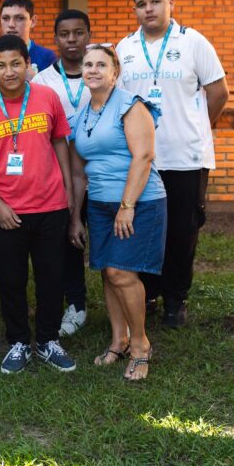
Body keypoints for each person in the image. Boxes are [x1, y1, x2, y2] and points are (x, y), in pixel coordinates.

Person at [116, 0, 228, 327]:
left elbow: (218, 92)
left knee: (182, 230)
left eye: (155, 1)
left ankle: (176, 299)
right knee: (145, 230)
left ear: (170, 3)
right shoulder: (125, 48)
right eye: (141, 4)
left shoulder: (193, 42)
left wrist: (195, 128)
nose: (148, 9)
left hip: (185, 158)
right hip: (141, 159)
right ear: (135, 9)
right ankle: (148, 294)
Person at [0, 34, 76, 375]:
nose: (9, 72)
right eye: (1, 66)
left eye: (15, 64)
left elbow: (60, 142)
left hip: (50, 205)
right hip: (6, 210)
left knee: (51, 277)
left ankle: (48, 339)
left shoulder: (47, 97)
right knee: (11, 280)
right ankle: (19, 341)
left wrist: (68, 189)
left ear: (28, 64)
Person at [69, 44, 166, 381]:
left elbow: (144, 156)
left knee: (121, 273)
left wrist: (127, 206)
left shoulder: (131, 105)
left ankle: (141, 347)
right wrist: (75, 216)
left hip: (139, 202)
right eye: (88, 65)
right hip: (99, 203)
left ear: (115, 72)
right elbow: (78, 172)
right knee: (108, 274)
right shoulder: (82, 115)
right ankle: (118, 341)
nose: (93, 70)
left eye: (101, 65)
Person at [31, 9, 93, 338]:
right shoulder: (42, 81)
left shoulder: (100, 73)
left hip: (100, 176)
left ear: (88, 36)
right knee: (69, 243)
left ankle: (123, 300)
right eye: (65, 34)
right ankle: (77, 303)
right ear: (55, 39)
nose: (72, 40)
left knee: (106, 241)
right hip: (61, 178)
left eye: (78, 33)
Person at [0, 0, 57, 79]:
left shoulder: (47, 57)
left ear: (33, 21)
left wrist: (35, 80)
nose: (11, 24)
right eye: (6, 18)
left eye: (19, 18)